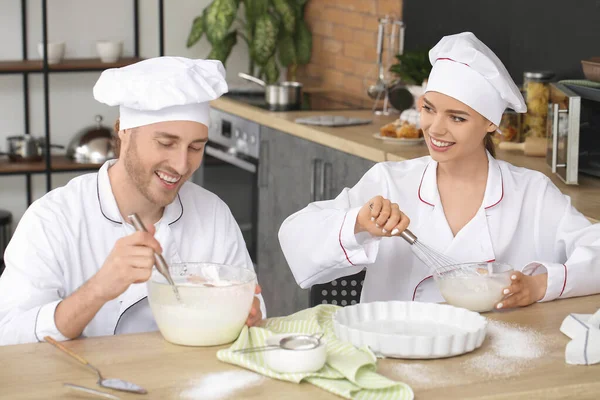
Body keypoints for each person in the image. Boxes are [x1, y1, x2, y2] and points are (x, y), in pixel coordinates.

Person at [278, 32, 600, 308]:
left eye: (457, 118)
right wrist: (358, 223)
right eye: (429, 110)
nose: (436, 129)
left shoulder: (532, 194)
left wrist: (540, 285)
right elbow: (294, 237)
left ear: (491, 123)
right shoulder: (389, 182)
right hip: (395, 357)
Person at [0, 57, 265, 346]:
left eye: (195, 147)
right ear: (123, 132)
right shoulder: (53, 219)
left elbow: (255, 308)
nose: (180, 164)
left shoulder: (212, 214)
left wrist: (244, 314)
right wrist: (99, 289)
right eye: (166, 143)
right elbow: (10, 333)